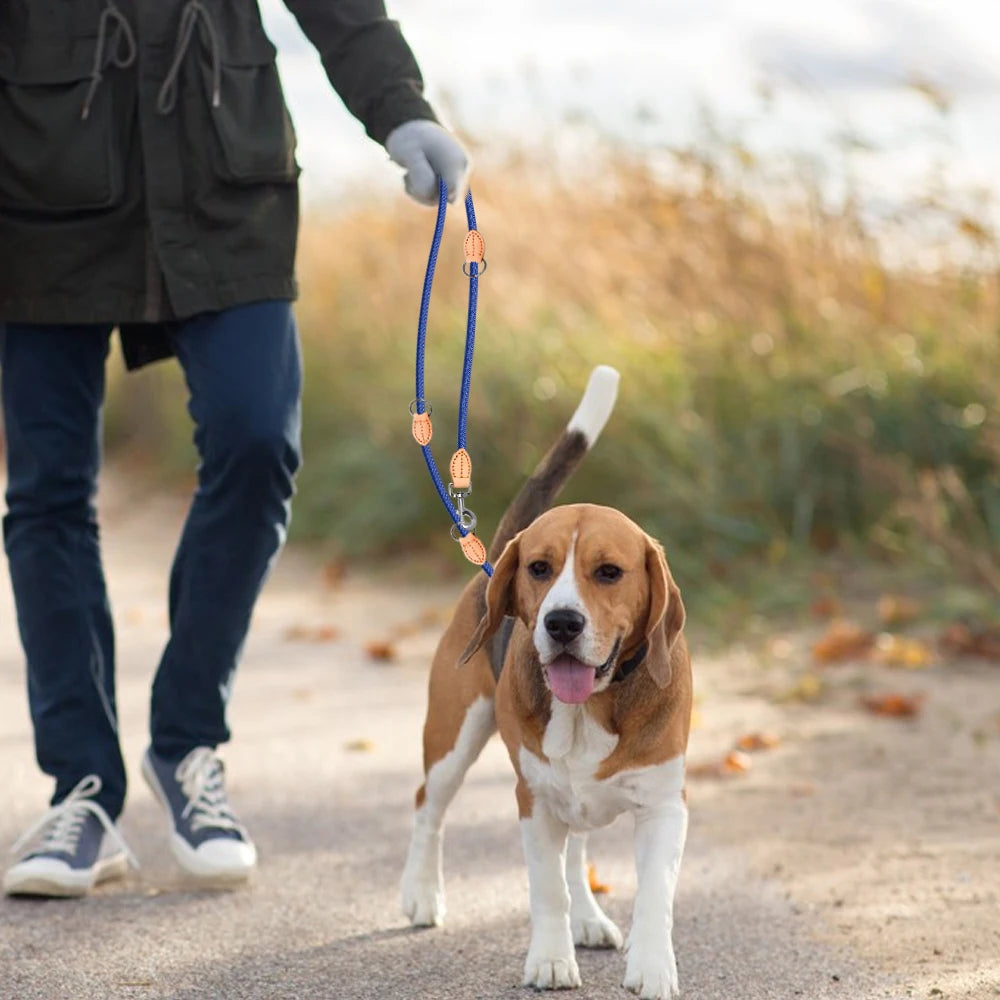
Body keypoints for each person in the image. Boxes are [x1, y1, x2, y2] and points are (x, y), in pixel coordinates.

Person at [0, 0, 469, 897]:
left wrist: (401, 109)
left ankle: (187, 744)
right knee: (50, 491)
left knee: (259, 444)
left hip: (224, 182)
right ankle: (83, 792)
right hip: (40, 188)